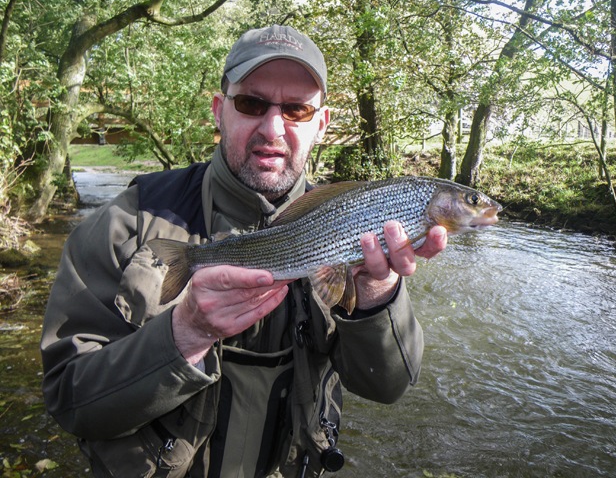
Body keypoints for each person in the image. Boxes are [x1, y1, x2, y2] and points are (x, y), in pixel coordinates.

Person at [40, 24, 447, 477]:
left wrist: (378, 294)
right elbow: (69, 402)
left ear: (321, 124)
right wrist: (183, 335)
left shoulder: (357, 229)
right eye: (252, 104)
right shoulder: (125, 222)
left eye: (296, 109)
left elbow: (386, 387)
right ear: (219, 111)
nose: (273, 128)